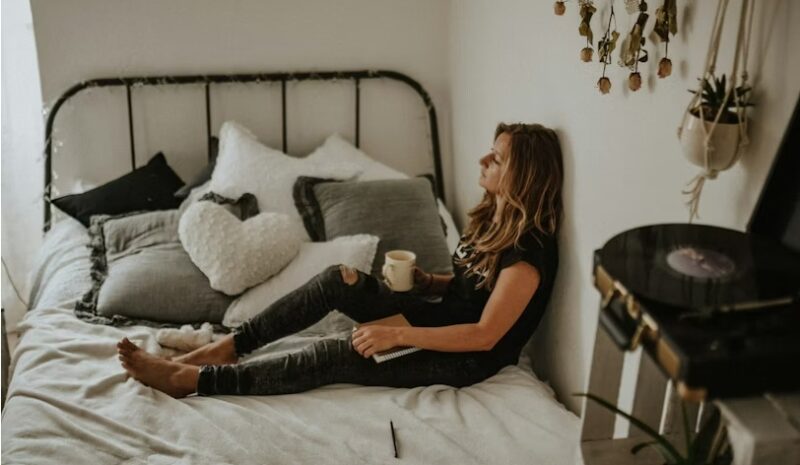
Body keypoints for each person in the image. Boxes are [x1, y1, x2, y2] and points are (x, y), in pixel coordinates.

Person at [117, 123, 564, 398]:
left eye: (497, 158)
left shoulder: (529, 253)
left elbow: (485, 335)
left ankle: (195, 382)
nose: (483, 159)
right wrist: (432, 282)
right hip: (435, 321)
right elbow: (474, 291)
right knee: (339, 280)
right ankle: (228, 348)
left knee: (340, 352)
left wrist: (393, 333)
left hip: (463, 358)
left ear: (521, 176)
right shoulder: (492, 219)